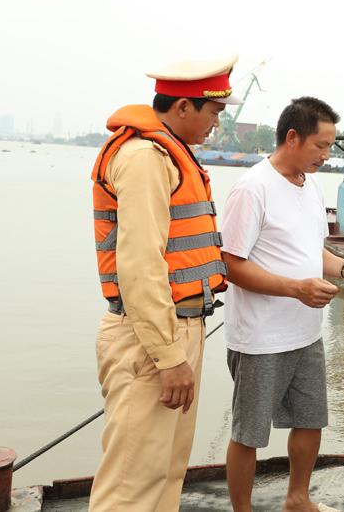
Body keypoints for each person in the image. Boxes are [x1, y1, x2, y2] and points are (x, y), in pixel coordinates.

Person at [89, 55, 241, 511]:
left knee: (165, 472)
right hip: (152, 339)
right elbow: (140, 268)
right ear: (182, 108)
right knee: (131, 485)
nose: (216, 124)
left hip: (177, 330)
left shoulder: (168, 154)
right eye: (213, 112)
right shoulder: (144, 159)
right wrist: (168, 356)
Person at [220, 96, 344, 512]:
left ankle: (298, 498)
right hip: (260, 337)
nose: (326, 156)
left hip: (306, 334)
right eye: (320, 146)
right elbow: (231, 265)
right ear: (292, 137)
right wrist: (295, 289)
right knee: (248, 433)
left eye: (329, 147)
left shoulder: (311, 185)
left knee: (310, 420)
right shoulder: (252, 188)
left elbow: (313, 251)